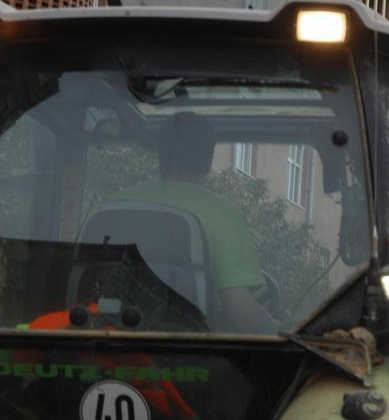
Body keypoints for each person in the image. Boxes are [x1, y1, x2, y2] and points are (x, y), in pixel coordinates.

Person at [108, 112, 274, 332]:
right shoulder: (219, 212)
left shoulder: (114, 205)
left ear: (161, 156)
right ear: (208, 159)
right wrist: (283, 329)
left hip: (111, 346)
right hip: (190, 354)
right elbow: (240, 311)